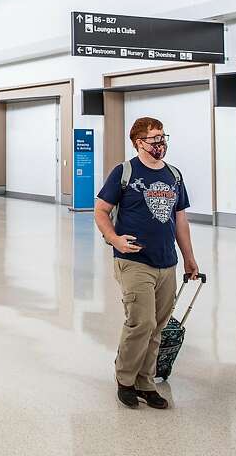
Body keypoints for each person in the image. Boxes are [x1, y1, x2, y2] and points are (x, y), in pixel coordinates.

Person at [94, 117, 200, 411]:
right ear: (139, 143)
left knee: (158, 327)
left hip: (166, 261)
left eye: (163, 138)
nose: (160, 144)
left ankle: (146, 381)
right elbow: (101, 210)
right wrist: (114, 239)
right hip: (133, 260)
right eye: (154, 140)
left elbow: (180, 219)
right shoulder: (124, 172)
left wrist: (189, 259)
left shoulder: (173, 175)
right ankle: (125, 379)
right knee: (142, 322)